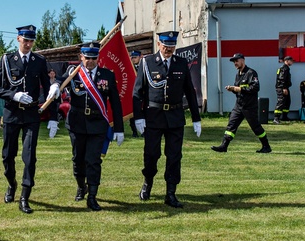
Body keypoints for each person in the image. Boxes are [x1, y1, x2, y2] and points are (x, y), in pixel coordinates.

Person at [0, 25, 58, 213]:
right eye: (25, 40)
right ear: (18, 39)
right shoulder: (6, 60)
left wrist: (53, 112)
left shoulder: (39, 61)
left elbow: (49, 87)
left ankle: (25, 197)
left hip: (31, 115)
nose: (28, 44)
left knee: (29, 157)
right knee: (8, 156)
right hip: (12, 113)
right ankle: (11, 184)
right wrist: (13, 95)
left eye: (31, 41)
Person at [132, 31, 202, 208]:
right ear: (159, 44)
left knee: (174, 156)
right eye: (166, 45)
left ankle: (170, 192)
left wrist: (196, 118)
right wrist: (139, 117)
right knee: (151, 154)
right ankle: (148, 182)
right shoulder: (147, 63)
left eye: (172, 46)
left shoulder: (181, 63)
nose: (169, 49)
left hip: (175, 117)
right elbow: (137, 93)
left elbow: (190, 92)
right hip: (154, 117)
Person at [64, 42, 124, 211]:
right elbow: (60, 83)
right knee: (78, 159)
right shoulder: (74, 74)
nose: (90, 61)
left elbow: (115, 103)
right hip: (77, 123)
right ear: (81, 57)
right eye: (87, 58)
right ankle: (81, 185)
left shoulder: (107, 75)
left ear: (98, 58)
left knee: (93, 161)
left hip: (97, 124)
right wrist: (55, 86)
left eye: (93, 58)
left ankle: (92, 196)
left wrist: (119, 128)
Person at [212, 53, 272, 154]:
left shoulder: (251, 73)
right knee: (231, 125)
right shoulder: (238, 75)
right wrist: (232, 89)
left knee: (255, 127)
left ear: (243, 60)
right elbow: (237, 89)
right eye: (234, 61)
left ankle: (266, 146)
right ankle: (224, 146)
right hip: (239, 105)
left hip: (249, 106)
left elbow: (255, 88)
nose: (235, 63)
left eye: (236, 60)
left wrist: (238, 89)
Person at [272, 56, 293, 124]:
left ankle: (284, 117)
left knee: (287, 102)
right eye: (291, 60)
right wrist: (283, 88)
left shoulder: (285, 68)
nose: (292, 62)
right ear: (286, 61)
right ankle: (276, 118)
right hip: (282, 88)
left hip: (285, 87)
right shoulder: (284, 68)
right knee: (281, 102)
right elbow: (281, 79)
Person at [129, 50, 142, 137]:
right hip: (133, 93)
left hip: (142, 93)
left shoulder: (143, 67)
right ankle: (134, 131)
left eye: (135, 57)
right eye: (132, 57)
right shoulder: (129, 68)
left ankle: (143, 131)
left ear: (140, 57)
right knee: (132, 114)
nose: (133, 59)